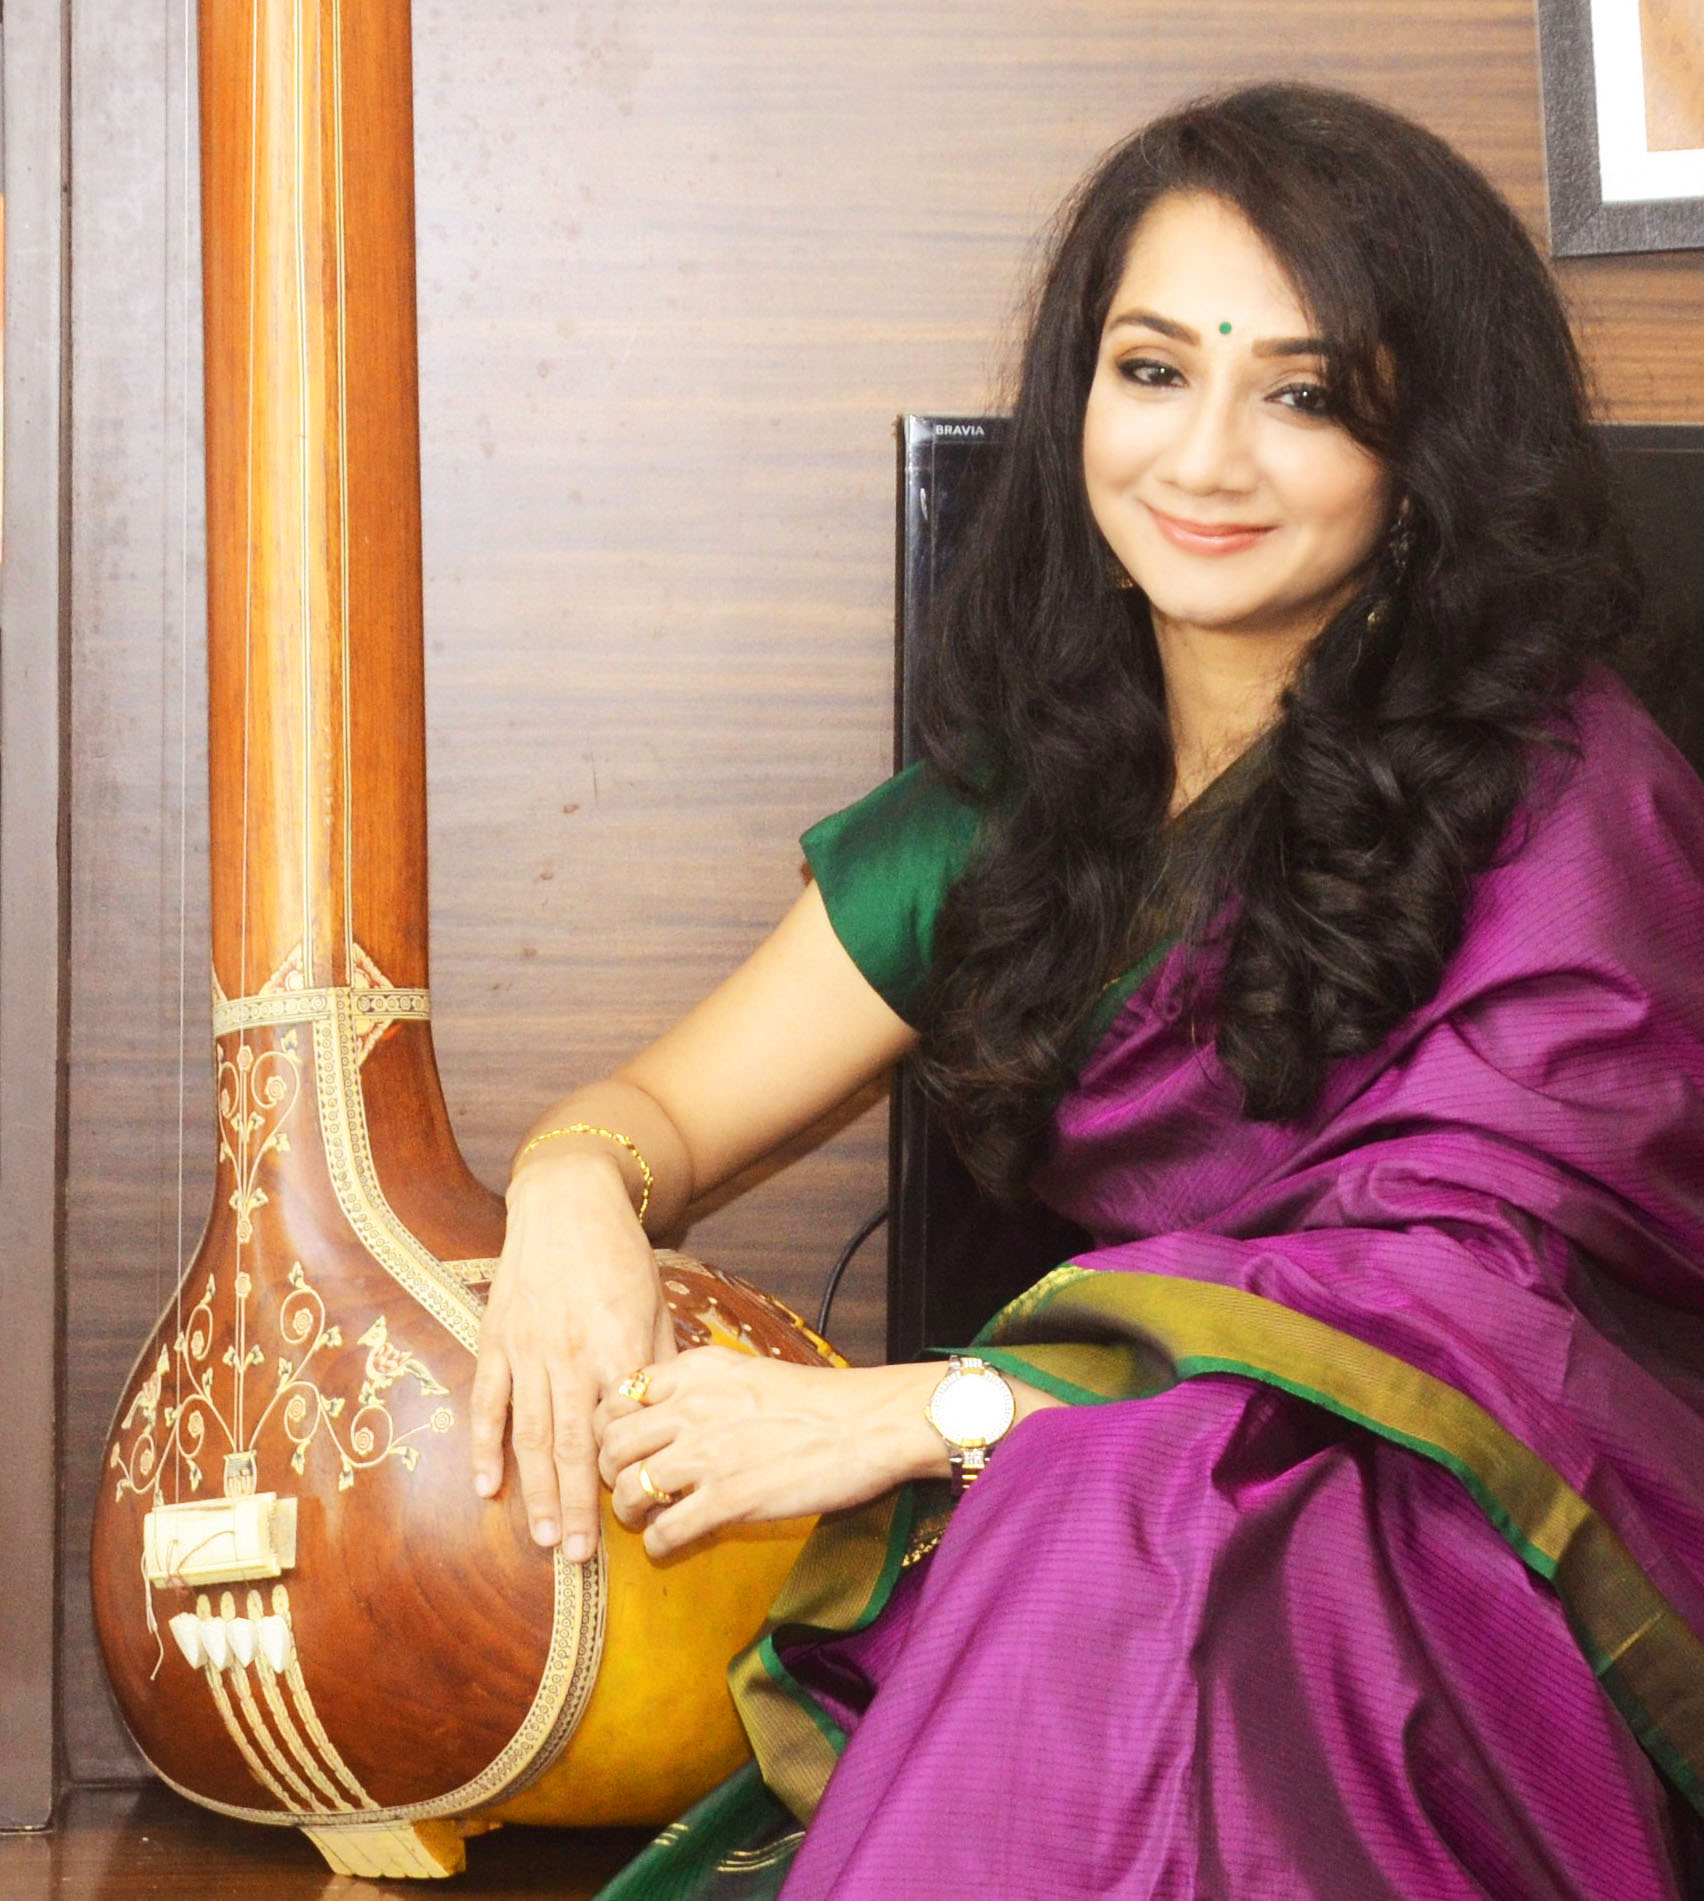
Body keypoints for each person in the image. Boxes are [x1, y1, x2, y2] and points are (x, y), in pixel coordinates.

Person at [470, 82, 1704, 1898]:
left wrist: (943, 1411)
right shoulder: (1011, 812)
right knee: (1116, 1505)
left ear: (1425, 447)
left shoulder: (1566, 794)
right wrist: (575, 1185)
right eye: (1152, 370)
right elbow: (657, 1108)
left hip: (1476, 1562)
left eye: (1301, 395)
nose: (1204, 458)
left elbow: (1483, 1326)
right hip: (1122, 1533)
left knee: (1125, 1502)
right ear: (1078, 399)